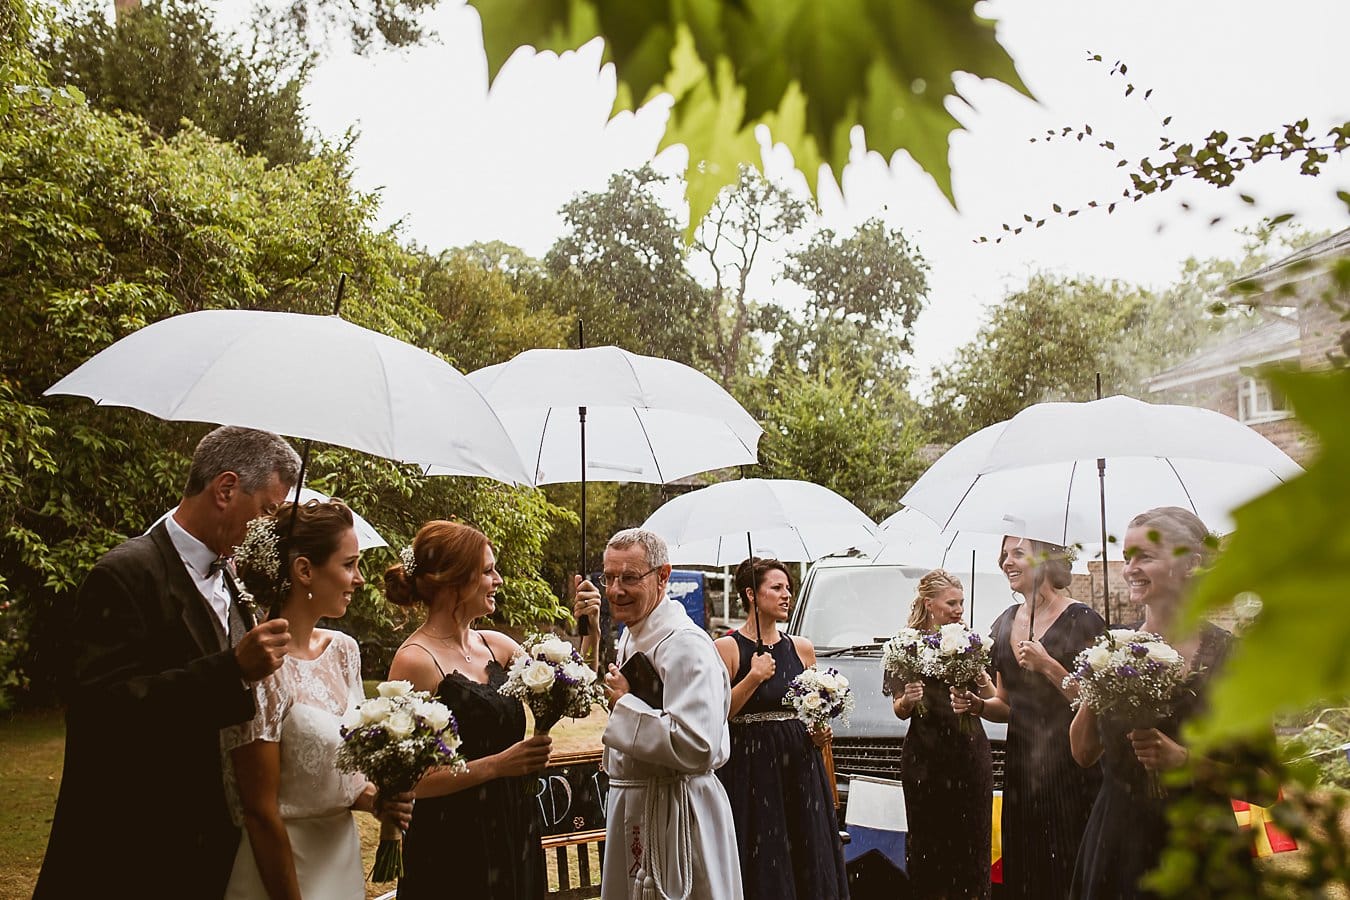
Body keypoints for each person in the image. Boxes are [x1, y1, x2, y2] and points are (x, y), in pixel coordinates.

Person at [35, 426, 299, 900]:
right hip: (133, 851)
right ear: (225, 489)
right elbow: (101, 712)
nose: (268, 529)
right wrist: (231, 669)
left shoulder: (234, 581)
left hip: (213, 848)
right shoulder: (125, 573)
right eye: (267, 512)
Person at [385, 520, 595, 899]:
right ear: (454, 581)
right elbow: (408, 781)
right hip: (452, 837)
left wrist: (590, 632)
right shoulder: (415, 661)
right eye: (487, 570)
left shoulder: (496, 644)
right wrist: (497, 765)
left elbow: (574, 695)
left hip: (513, 821)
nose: (498, 579)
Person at [222, 499, 414, 898]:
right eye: (349, 565)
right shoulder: (260, 666)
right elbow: (259, 810)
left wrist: (376, 800)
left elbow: (343, 773)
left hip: (340, 860)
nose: (359, 579)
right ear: (305, 570)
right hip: (282, 870)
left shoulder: (345, 652)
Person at [1068, 507, 1255, 899]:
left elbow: (1266, 785)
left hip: (1200, 847)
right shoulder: (1113, 646)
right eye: (1128, 557)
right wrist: (1099, 675)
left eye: (1145, 557)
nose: (1130, 568)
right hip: (1118, 845)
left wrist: (1186, 763)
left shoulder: (1231, 657)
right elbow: (1083, 753)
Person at [572, 527, 742, 900]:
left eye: (629, 578)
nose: (616, 590)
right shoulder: (633, 634)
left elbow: (698, 745)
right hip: (638, 802)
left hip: (677, 811)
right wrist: (592, 636)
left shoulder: (687, 646)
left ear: (663, 576)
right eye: (609, 577)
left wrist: (625, 705)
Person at [952, 536, 1103, 900]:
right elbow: (1005, 704)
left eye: (1018, 553)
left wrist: (1049, 666)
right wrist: (978, 705)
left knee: (1068, 864)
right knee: (1026, 867)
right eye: (1004, 554)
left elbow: (1098, 705)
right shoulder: (1005, 622)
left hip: (1071, 764)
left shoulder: (1082, 621)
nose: (1007, 562)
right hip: (1022, 764)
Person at [713, 557, 848, 900]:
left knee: (806, 851)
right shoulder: (726, 649)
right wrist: (754, 676)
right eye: (776, 588)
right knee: (762, 853)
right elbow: (716, 713)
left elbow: (814, 710)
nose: (787, 595)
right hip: (751, 771)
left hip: (800, 769)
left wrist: (819, 733)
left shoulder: (800, 648)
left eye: (788, 588)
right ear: (751, 595)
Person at [887, 569, 992, 900]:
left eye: (961, 602)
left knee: (972, 840)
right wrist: (909, 699)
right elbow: (898, 709)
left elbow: (991, 696)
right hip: (925, 759)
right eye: (952, 603)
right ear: (929, 604)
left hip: (969, 754)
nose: (959, 609)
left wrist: (976, 678)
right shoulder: (906, 644)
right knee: (927, 841)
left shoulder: (969, 642)